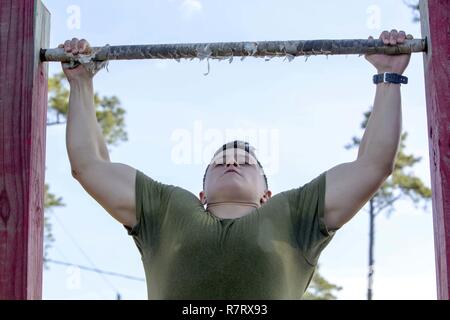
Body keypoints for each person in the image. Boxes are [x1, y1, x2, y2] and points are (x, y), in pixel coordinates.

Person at [61, 30, 412, 299]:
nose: (231, 161)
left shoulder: (294, 214)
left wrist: (388, 76)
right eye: (220, 161)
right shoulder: (166, 209)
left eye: (245, 161)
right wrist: (81, 83)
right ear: (201, 193)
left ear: (266, 194)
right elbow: (89, 165)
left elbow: (373, 164)